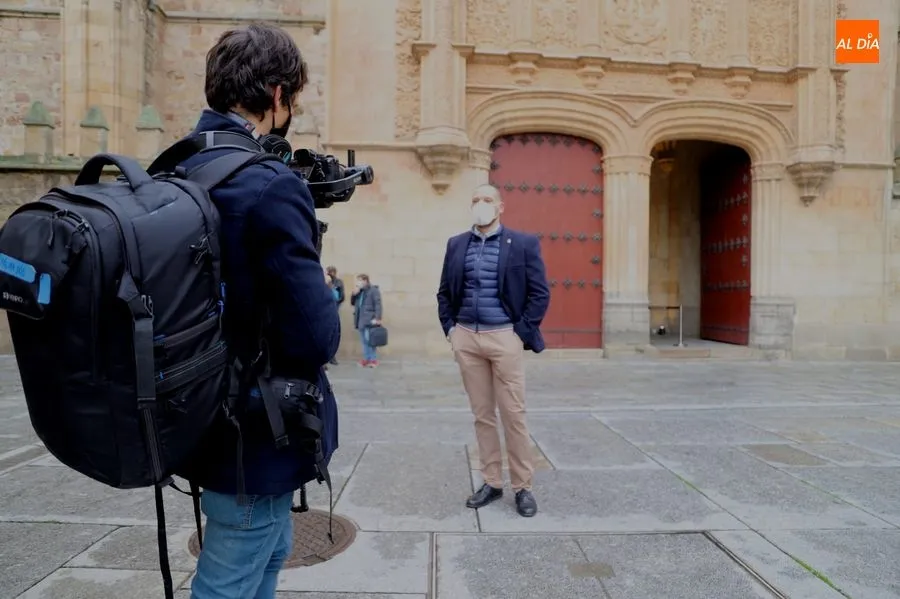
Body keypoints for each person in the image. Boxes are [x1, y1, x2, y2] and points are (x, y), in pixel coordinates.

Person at [176, 24, 341, 599]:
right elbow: (317, 334)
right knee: (230, 576)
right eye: (292, 98)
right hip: (255, 424)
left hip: (196, 403)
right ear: (277, 95)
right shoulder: (267, 183)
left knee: (268, 549)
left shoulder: (174, 166)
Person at [436, 183, 550, 518]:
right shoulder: (457, 244)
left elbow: (540, 293)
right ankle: (491, 481)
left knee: (513, 414)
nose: (481, 204)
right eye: (476, 199)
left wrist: (519, 334)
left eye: (487, 199)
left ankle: (523, 486)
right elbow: (444, 292)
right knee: (483, 415)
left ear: (501, 207)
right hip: (466, 339)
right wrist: (451, 329)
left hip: (503, 337)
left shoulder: (523, 244)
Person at [350, 273, 382, 368]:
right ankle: (367, 358)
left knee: (370, 340)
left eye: (360, 280)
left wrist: (378, 318)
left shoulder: (373, 290)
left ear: (365, 281)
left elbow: (378, 304)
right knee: (364, 341)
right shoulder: (360, 291)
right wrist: (354, 294)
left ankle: (373, 359)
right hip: (360, 319)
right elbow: (353, 303)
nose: (358, 283)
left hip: (369, 319)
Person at [326, 266, 345, 365]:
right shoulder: (324, 281)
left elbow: (342, 296)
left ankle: (332, 357)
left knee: (333, 333)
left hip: (334, 309)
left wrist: (336, 303)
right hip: (325, 310)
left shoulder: (338, 282)